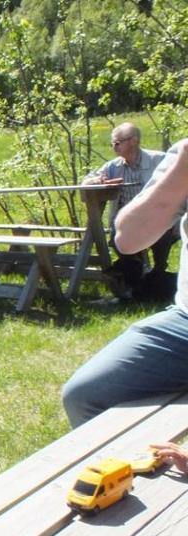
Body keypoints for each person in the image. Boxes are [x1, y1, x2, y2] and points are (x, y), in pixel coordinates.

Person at [62, 139, 188, 427]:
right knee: (84, 396)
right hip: (184, 325)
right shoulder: (181, 156)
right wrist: (183, 168)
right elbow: (128, 240)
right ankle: (130, 469)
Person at [82, 122, 179, 280]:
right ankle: (136, 274)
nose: (114, 147)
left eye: (118, 142)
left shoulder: (159, 160)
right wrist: (99, 181)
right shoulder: (113, 167)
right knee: (117, 236)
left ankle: (159, 273)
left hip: (157, 218)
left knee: (162, 232)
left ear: (134, 141)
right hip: (127, 220)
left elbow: (180, 186)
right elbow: (85, 182)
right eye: (112, 143)